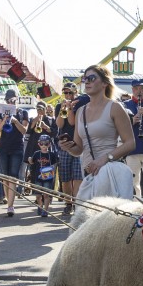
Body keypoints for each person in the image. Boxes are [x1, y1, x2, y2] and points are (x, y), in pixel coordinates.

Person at [58, 64, 136, 201]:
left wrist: (104, 159)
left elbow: (130, 143)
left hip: (110, 174)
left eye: (92, 78)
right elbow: (79, 149)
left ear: (105, 83)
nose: (87, 81)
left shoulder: (115, 107)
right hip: (88, 176)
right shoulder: (80, 111)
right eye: (85, 78)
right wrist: (69, 147)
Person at [0, 89, 29, 217]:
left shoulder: (23, 112)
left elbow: (24, 131)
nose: (10, 101)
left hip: (17, 147)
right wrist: (4, 119)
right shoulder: (0, 112)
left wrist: (15, 121)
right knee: (5, 176)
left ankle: (10, 206)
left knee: (13, 176)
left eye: (13, 99)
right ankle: (9, 202)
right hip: (4, 147)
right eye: (8, 99)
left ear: (16, 99)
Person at [53, 84, 83, 215]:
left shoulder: (80, 105)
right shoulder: (60, 106)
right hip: (64, 145)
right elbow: (59, 124)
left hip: (77, 144)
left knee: (77, 176)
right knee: (65, 177)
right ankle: (68, 203)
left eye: (70, 93)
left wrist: (70, 109)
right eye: (66, 93)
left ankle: (76, 203)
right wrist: (63, 109)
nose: (68, 96)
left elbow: (72, 122)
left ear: (76, 92)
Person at [28, 134, 58, 217]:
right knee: (38, 195)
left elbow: (55, 164)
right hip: (38, 177)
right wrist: (30, 159)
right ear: (39, 144)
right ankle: (40, 206)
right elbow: (32, 162)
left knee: (46, 195)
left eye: (46, 143)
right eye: (42, 143)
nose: (44, 145)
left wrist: (53, 172)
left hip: (48, 178)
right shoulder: (37, 153)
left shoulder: (51, 154)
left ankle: (45, 210)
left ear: (49, 144)